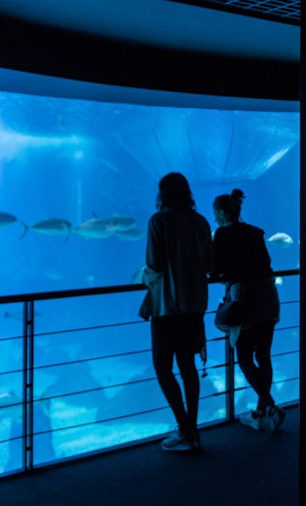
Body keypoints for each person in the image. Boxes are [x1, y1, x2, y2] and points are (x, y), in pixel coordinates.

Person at [141, 172, 213, 452]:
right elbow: (209, 263)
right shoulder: (201, 221)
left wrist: (145, 278)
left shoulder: (158, 221)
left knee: (162, 366)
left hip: (167, 306)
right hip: (195, 305)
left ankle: (184, 428)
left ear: (162, 194)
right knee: (188, 366)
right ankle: (191, 429)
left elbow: (154, 264)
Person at [211, 188, 285, 431]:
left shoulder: (222, 234)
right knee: (263, 354)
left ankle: (271, 406)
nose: (214, 218)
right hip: (268, 292)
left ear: (222, 213)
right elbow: (266, 263)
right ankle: (262, 410)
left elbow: (213, 269)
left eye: (215, 213)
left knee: (243, 357)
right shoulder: (254, 232)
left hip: (246, 296)